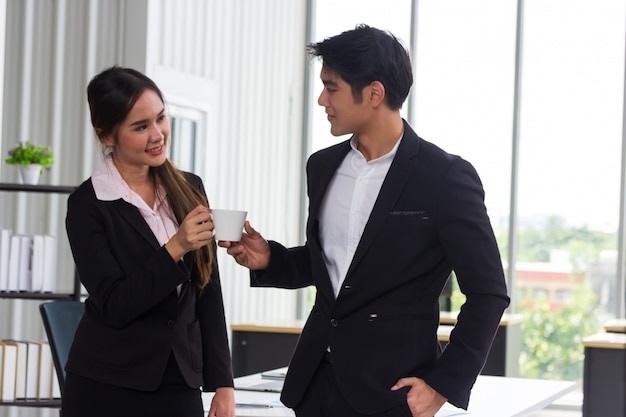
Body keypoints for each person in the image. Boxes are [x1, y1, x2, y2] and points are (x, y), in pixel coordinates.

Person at [220, 24, 510, 417]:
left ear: (374, 93)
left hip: (393, 392)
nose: (322, 99)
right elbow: (338, 267)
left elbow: (488, 292)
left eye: (332, 87)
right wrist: (269, 258)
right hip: (314, 386)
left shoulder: (444, 177)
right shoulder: (322, 167)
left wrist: (443, 385)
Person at [63, 66, 235, 417]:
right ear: (106, 135)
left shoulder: (189, 187)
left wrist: (223, 383)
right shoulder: (88, 205)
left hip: (181, 381)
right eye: (141, 127)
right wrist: (175, 247)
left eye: (160, 118)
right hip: (107, 386)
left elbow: (207, 289)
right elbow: (114, 304)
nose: (157, 134)